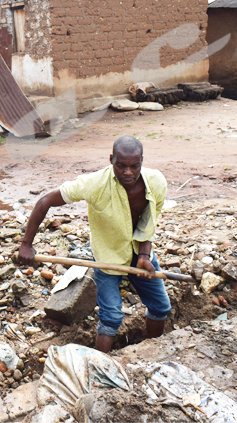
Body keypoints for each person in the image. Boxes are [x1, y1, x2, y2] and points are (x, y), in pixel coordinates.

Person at [18, 136, 171, 353]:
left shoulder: (156, 182)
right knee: (111, 317)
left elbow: (148, 223)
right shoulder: (94, 184)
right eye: (121, 166)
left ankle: (150, 355)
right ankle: (101, 369)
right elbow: (45, 201)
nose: (128, 172)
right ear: (111, 160)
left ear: (142, 162)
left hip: (140, 252)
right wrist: (26, 244)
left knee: (160, 307)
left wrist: (145, 257)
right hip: (108, 256)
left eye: (134, 166)